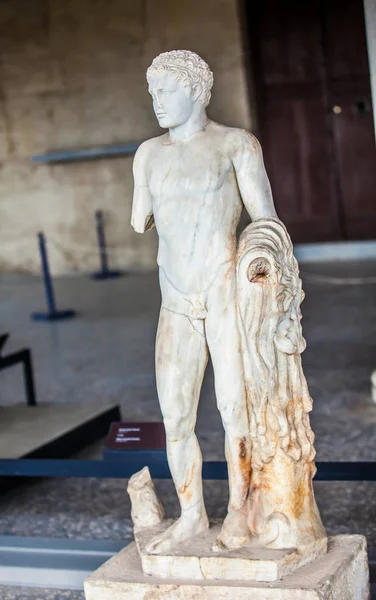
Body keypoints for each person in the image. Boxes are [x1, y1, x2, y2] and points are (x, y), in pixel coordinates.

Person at [131, 50, 278, 554]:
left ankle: (240, 509)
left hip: (223, 295)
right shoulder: (148, 154)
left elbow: (266, 223)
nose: (156, 102)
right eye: (151, 93)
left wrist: (267, 285)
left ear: (196, 89)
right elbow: (140, 218)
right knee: (176, 415)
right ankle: (192, 514)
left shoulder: (236, 145)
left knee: (234, 408)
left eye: (165, 91)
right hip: (174, 299)